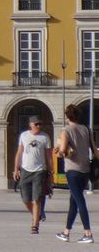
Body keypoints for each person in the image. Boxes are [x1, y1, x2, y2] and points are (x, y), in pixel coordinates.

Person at [54, 103, 97, 244]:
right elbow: (95, 150)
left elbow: (64, 151)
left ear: (67, 116)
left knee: (79, 201)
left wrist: (58, 150)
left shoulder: (66, 130)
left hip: (72, 170)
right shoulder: (86, 129)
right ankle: (66, 232)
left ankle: (88, 233)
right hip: (85, 170)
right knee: (73, 201)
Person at [13, 115, 52, 234]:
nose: (38, 126)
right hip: (25, 170)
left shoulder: (45, 137)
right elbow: (19, 153)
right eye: (36, 124)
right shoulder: (24, 136)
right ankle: (38, 214)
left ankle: (35, 224)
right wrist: (16, 168)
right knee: (25, 199)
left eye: (40, 124)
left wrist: (51, 172)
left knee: (36, 199)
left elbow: (49, 156)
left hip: (40, 170)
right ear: (30, 125)